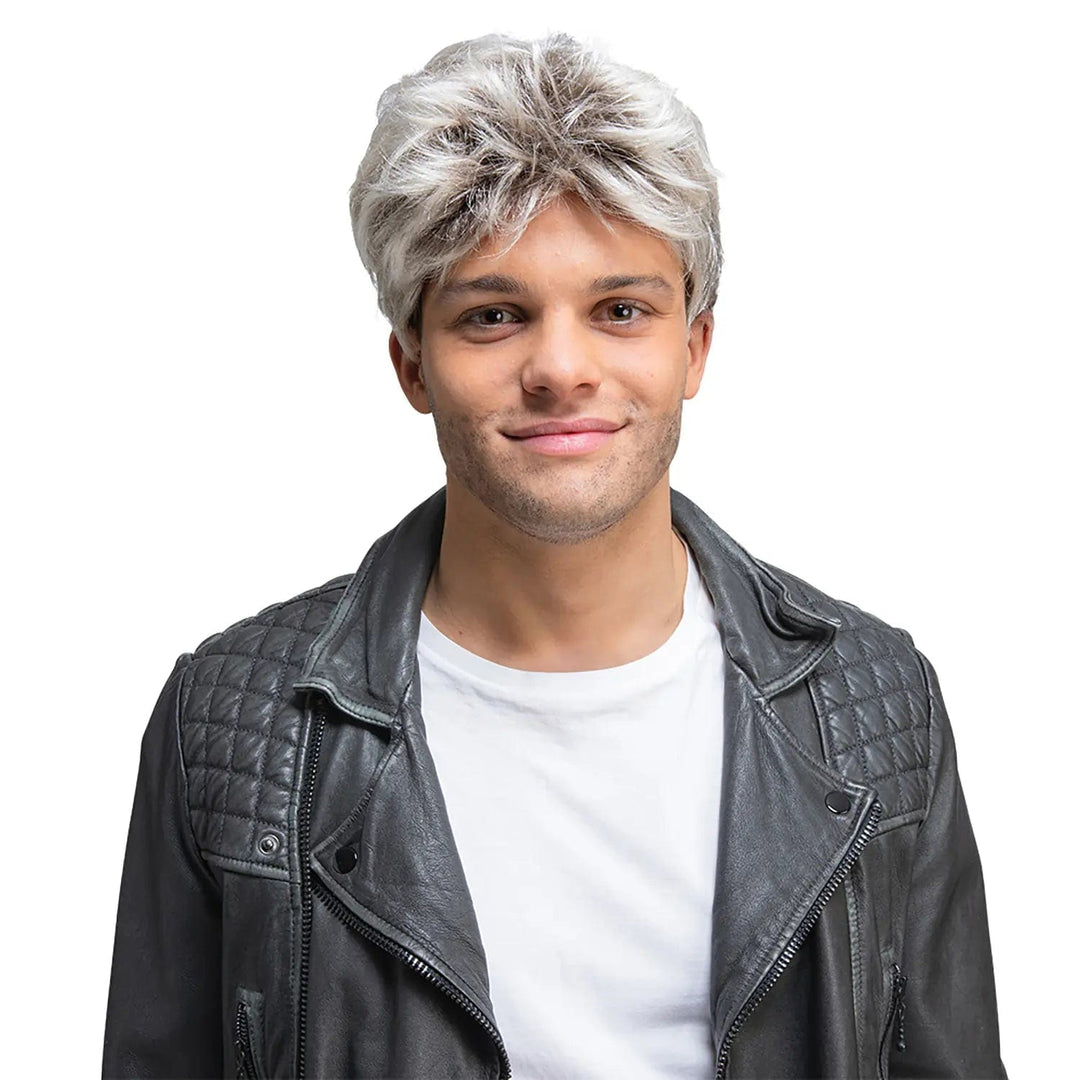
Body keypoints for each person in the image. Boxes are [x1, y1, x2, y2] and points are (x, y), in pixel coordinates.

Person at [102, 31, 1007, 1080]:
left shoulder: (873, 701)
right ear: (412, 365)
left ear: (694, 348)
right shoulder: (234, 717)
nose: (562, 368)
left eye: (621, 310)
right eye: (495, 316)